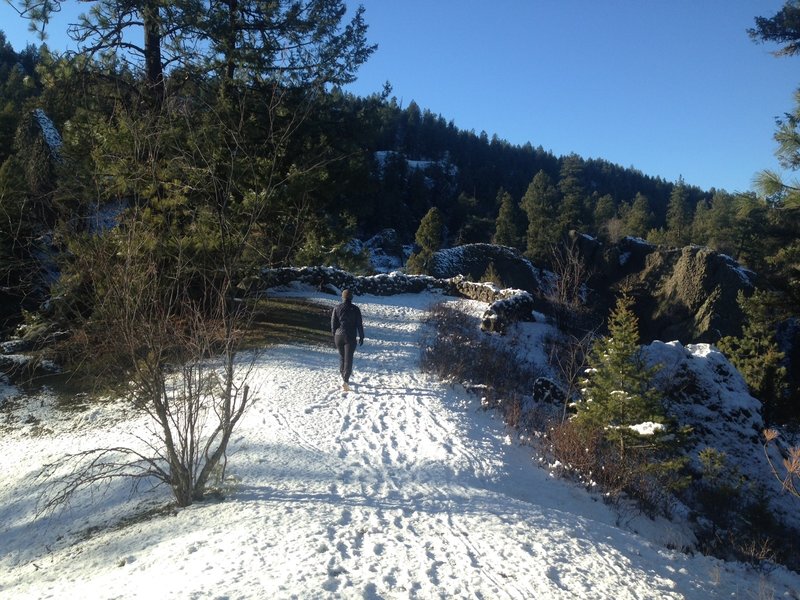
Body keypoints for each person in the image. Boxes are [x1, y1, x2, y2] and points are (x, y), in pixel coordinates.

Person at [331, 289, 364, 391]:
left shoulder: (336, 308)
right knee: (348, 359)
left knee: (342, 357)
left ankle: (343, 376)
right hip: (350, 336)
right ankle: (346, 380)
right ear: (351, 297)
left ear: (342, 297)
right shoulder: (355, 309)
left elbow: (333, 324)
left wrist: (334, 334)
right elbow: (359, 324)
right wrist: (361, 336)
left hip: (338, 336)